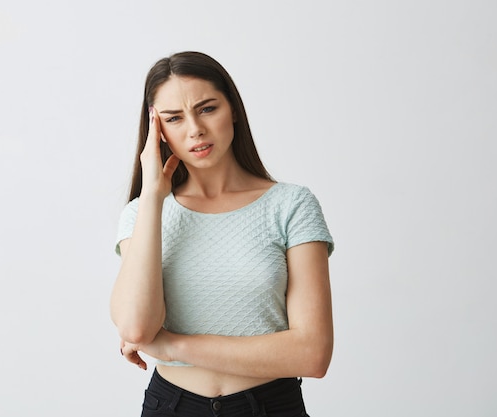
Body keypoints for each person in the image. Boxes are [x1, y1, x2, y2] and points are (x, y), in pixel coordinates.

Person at [110, 51, 334, 417]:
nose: (195, 129)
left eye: (207, 108)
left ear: (233, 109)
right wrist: (152, 195)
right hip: (172, 406)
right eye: (174, 118)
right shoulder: (141, 214)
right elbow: (136, 327)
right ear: (158, 131)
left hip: (270, 407)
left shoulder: (291, 205)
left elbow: (313, 354)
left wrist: (173, 347)